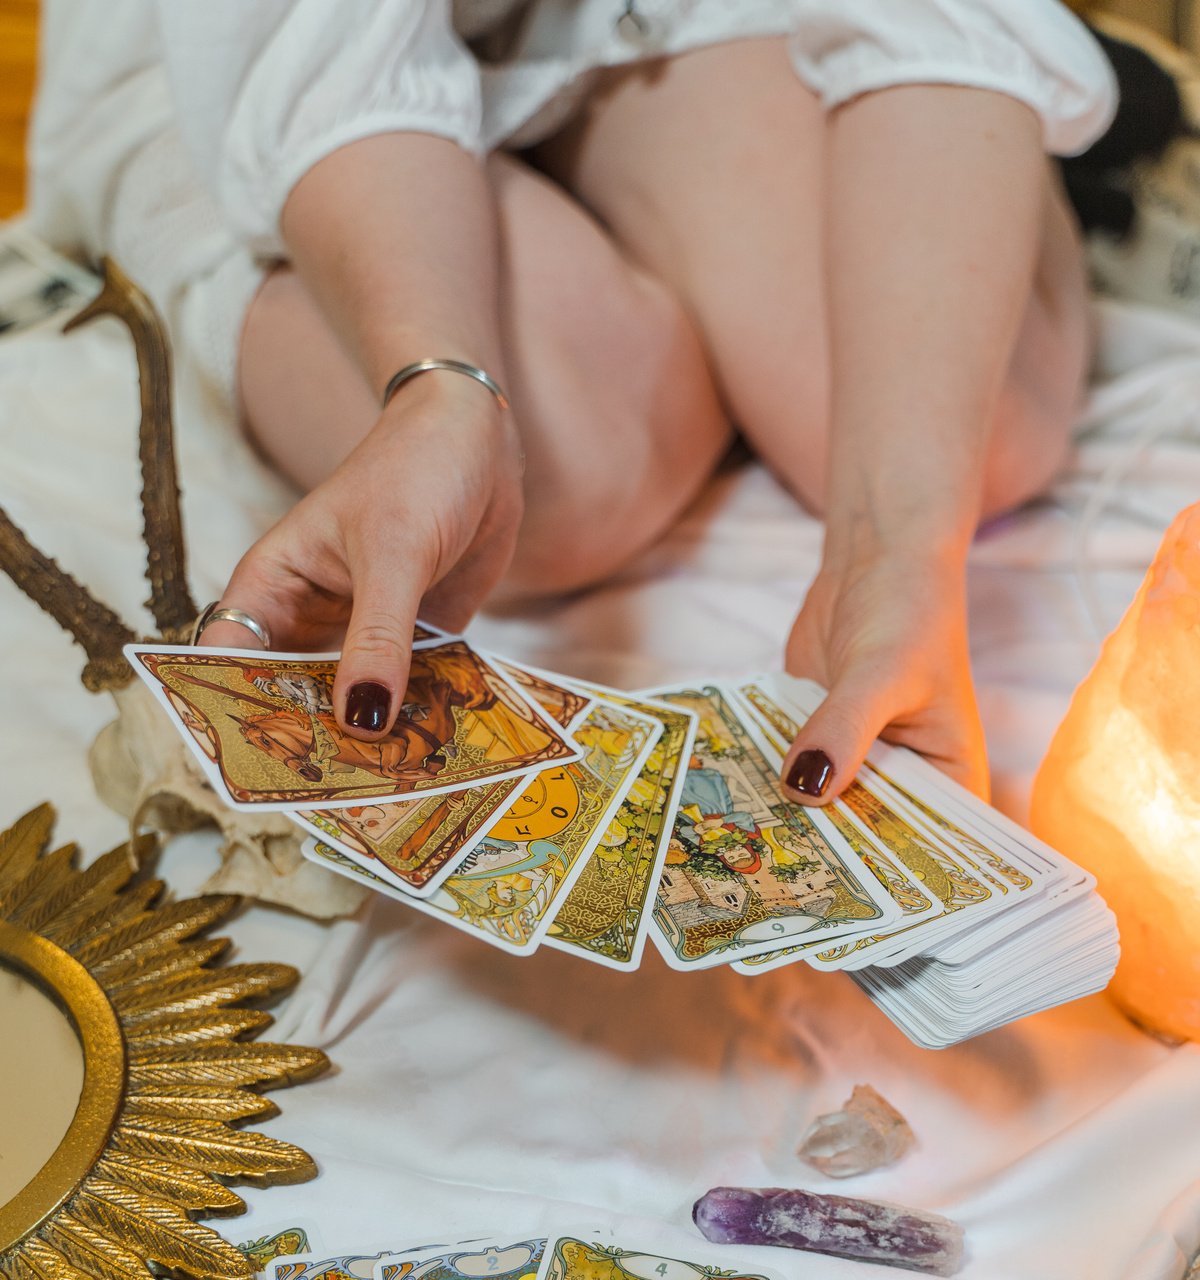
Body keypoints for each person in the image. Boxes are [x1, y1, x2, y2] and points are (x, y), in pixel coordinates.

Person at [32, 2, 1117, 800]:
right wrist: (436, 385)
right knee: (556, 482)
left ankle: (623, 225)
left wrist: (893, 552)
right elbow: (323, 57)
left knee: (980, 437)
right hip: (263, 41)